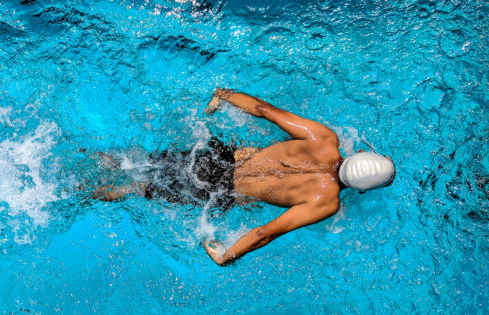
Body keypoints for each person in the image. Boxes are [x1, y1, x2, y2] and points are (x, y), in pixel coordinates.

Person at [93, 88, 395, 266]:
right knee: (138, 188)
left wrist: (224, 95)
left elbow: (264, 110)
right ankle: (84, 194)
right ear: (362, 190)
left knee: (136, 163)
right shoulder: (326, 202)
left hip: (218, 156)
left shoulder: (324, 139)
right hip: (220, 191)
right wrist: (227, 255)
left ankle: (93, 157)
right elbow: (266, 232)